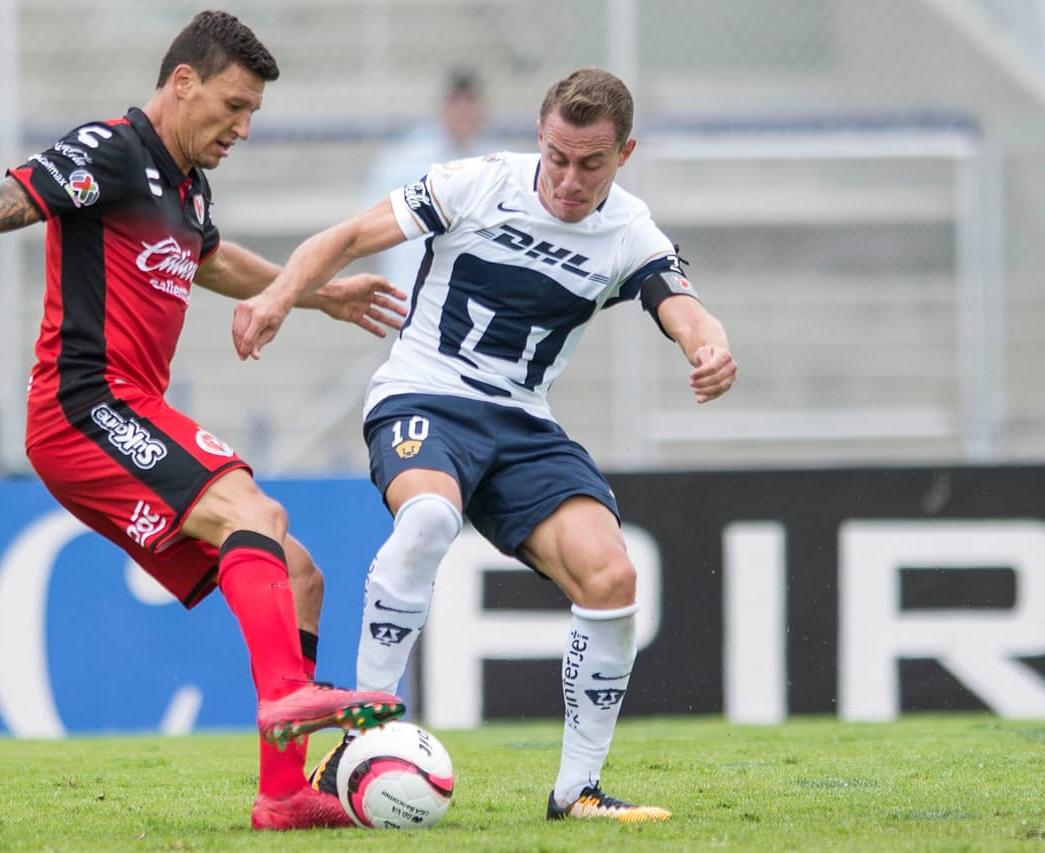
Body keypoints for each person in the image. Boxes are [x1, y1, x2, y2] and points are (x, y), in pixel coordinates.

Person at [0, 10, 409, 832]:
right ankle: (284, 695)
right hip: (81, 405)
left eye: (254, 112)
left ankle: (284, 794)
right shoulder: (110, 151)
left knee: (300, 572)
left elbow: (209, 256)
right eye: (233, 105)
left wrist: (312, 291)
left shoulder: (186, 182)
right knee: (251, 510)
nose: (244, 126)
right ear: (182, 82)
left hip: (129, 408)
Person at [232, 67, 738, 823]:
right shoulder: (474, 184)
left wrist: (711, 347)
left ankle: (577, 791)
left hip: (522, 423)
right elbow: (346, 236)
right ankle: (356, 741)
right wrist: (278, 295)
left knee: (611, 575)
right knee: (429, 520)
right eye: (559, 157)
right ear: (540, 135)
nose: (569, 180)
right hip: (423, 394)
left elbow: (685, 307)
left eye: (591, 164)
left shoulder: (629, 230)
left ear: (623, 154)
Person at [362, 69, 494, 292]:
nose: (463, 112)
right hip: (409, 292)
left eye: (470, 102)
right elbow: (371, 221)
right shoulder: (404, 158)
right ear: (443, 107)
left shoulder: (495, 164)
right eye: (456, 103)